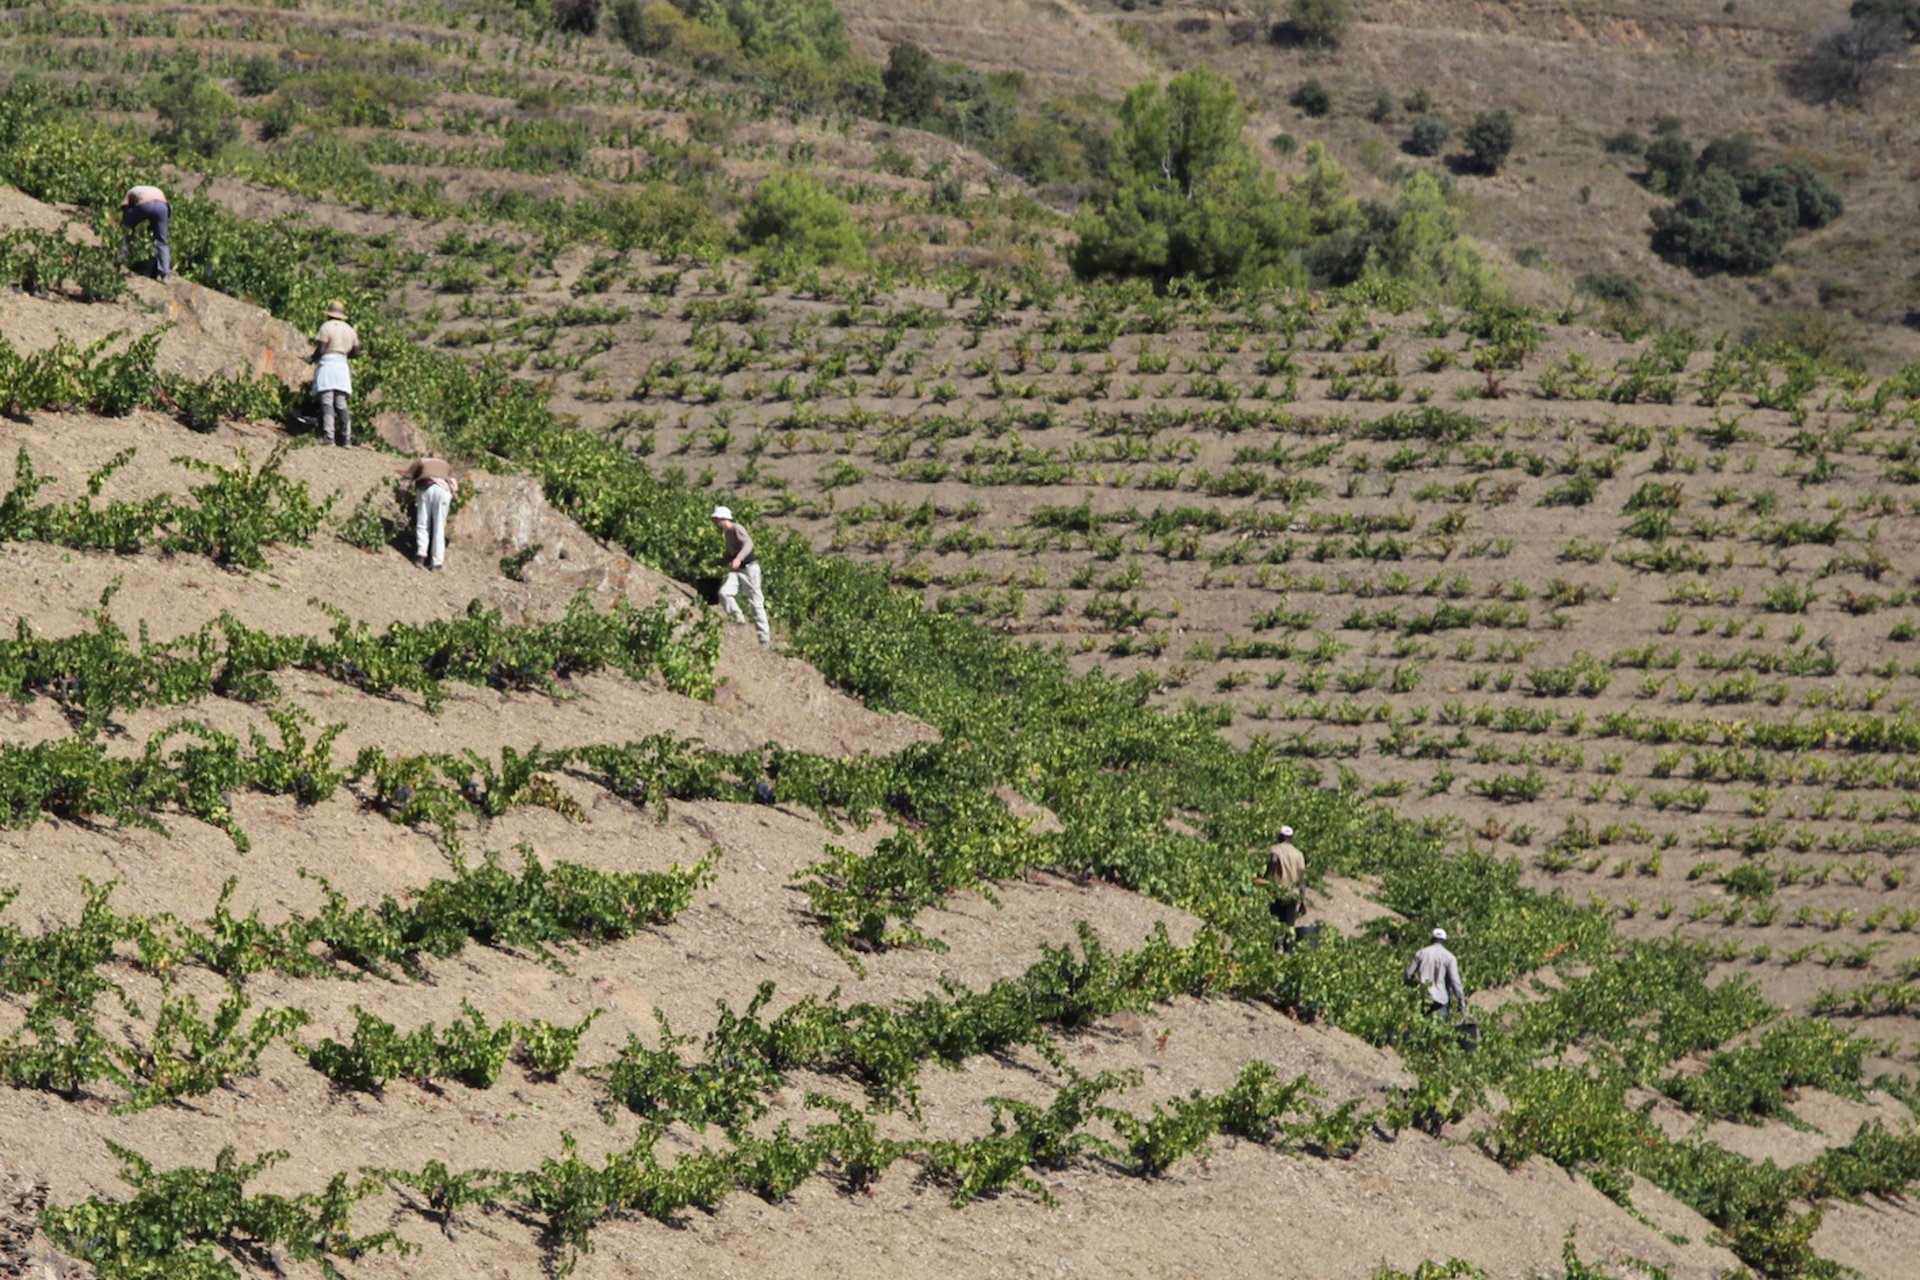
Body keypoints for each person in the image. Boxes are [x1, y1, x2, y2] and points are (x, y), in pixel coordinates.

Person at [711, 505, 769, 644]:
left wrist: (739, 558)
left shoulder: (737, 528)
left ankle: (764, 638)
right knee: (724, 593)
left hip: (749, 569)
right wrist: (718, 562)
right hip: (737, 571)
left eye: (716, 519)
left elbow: (748, 544)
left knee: (756, 603)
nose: (715, 522)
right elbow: (730, 554)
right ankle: (738, 617)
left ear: (722, 518)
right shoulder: (727, 533)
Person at [310, 300, 361, 447]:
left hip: (328, 364)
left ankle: (329, 436)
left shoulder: (326, 327)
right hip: (342, 365)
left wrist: (311, 359)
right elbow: (357, 352)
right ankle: (346, 438)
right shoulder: (350, 330)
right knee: (341, 402)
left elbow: (320, 349)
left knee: (327, 401)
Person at [1256, 824, 1307, 951]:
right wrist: (1303, 901)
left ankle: (1274, 952)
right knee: (1289, 927)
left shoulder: (1274, 849)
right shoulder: (1299, 854)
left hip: (1276, 892)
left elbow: (1273, 861)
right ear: (1291, 838)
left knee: (1274, 925)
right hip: (1292, 895)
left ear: (1280, 836)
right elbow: (1301, 879)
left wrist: (1265, 878)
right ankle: (1287, 953)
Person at [404, 456, 457, 570]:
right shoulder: (446, 464)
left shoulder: (420, 461)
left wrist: (407, 498)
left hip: (425, 488)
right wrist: (452, 499)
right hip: (444, 490)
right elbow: (453, 484)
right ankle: (437, 562)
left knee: (423, 523)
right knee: (439, 527)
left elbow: (405, 484)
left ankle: (421, 555)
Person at [1405, 928, 1468, 1021]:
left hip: (1423, 997)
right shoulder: (1450, 957)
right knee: (1440, 1031)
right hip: (1441, 1000)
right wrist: (1461, 1002)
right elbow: (1455, 981)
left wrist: (1414, 986)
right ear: (1445, 941)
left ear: (1431, 939)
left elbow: (1408, 974)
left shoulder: (1421, 953)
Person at [120, 184, 170, 281]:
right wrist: (155, 227)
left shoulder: (131, 191)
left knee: (126, 232)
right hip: (162, 207)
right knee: (162, 242)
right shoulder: (157, 190)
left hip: (145, 204)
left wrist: (128, 224)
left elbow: (125, 208)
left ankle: (121, 259)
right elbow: (168, 212)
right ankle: (165, 274)